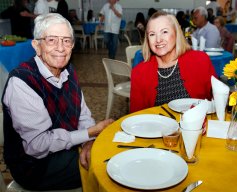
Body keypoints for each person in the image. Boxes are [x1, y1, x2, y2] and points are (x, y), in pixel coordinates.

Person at [1, 13, 114, 190]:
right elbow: (38, 146)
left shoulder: (68, 70)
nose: (61, 48)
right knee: (108, 167)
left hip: (66, 148)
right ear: (37, 46)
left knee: (106, 154)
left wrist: (88, 142)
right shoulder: (22, 82)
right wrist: (91, 132)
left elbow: (82, 114)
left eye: (66, 40)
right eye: (52, 40)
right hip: (34, 166)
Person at [130, 11, 217, 113]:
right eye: (152, 34)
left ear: (176, 33)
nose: (158, 40)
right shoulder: (139, 73)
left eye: (165, 32)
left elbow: (218, 101)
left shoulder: (200, 60)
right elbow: (136, 116)